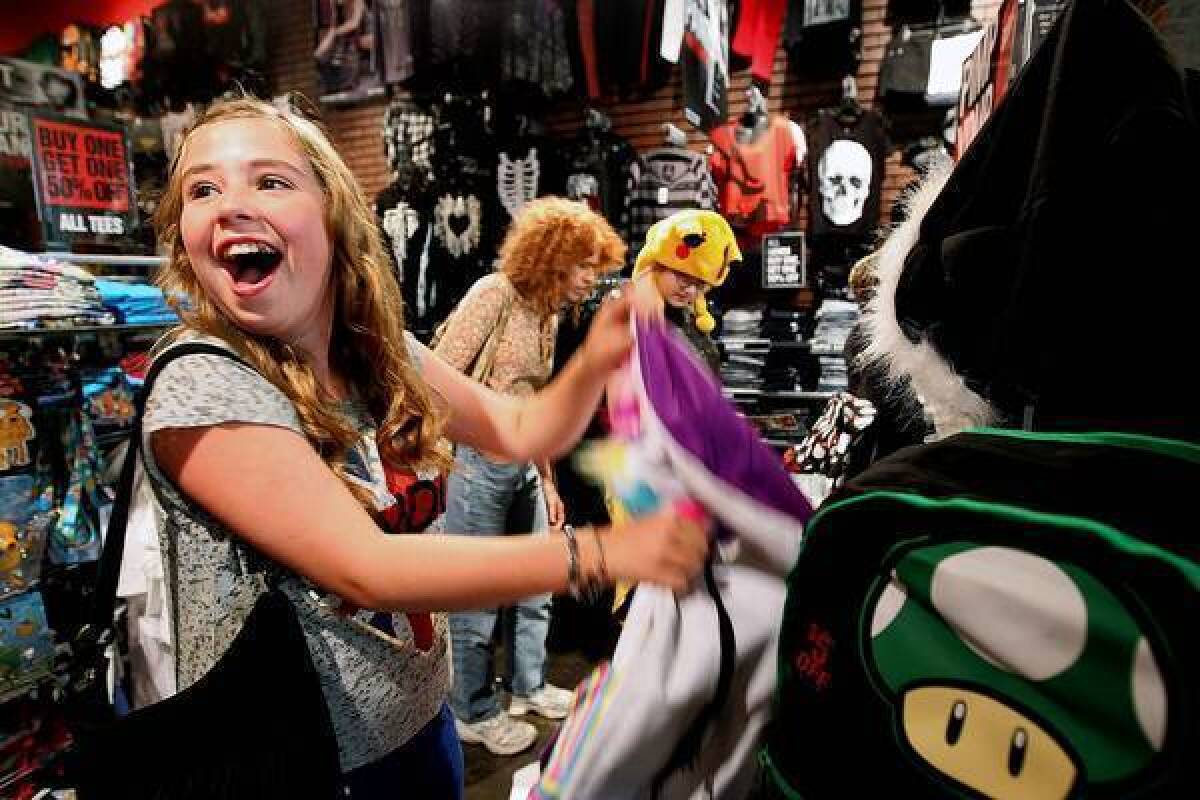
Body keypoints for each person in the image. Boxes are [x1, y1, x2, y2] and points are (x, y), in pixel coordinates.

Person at [145, 94, 708, 798]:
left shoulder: (377, 352)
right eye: (202, 188)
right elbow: (367, 568)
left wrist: (597, 359)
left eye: (269, 180)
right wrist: (599, 553)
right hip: (298, 767)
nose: (230, 204)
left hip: (415, 727)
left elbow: (519, 428)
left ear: (332, 213)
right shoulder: (203, 378)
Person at [433, 197, 623, 754]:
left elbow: (532, 400)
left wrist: (546, 478)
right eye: (583, 264)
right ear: (551, 257)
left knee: (539, 580)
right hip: (477, 462)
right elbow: (437, 376)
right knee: (477, 591)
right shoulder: (493, 294)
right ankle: (473, 709)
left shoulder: (548, 312)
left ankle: (528, 686)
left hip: (522, 463)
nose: (592, 277)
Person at [631, 209, 742, 374]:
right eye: (683, 277)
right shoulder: (627, 318)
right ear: (656, 265)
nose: (690, 290)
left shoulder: (690, 320)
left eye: (699, 285)